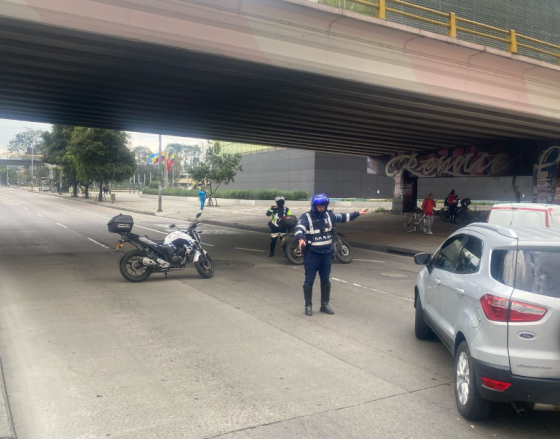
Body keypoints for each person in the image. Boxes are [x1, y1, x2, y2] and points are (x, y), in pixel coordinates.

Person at [295, 194, 368, 316]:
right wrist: (300, 238)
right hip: (312, 255)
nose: (321, 208)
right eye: (319, 206)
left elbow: (343, 217)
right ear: (314, 206)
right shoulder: (306, 217)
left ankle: (324, 305)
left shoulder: (329, 215)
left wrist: (358, 213)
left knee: (325, 281)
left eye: (323, 206)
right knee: (309, 281)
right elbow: (299, 228)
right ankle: (308, 305)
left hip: (326, 254)